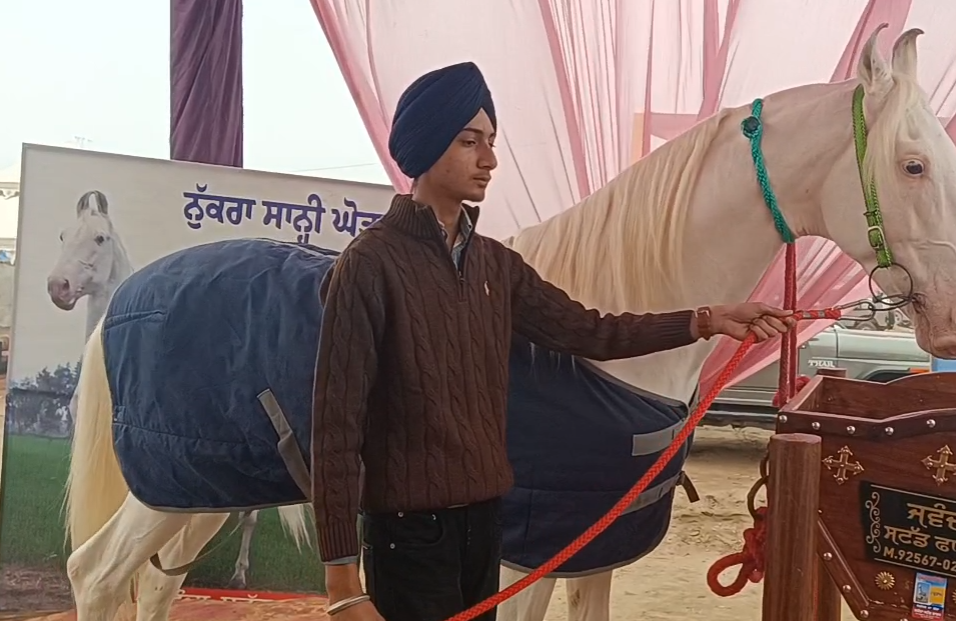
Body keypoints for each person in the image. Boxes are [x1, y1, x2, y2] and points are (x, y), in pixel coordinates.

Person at [311, 61, 795, 621]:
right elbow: (336, 429)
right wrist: (343, 581)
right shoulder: (368, 266)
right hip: (408, 535)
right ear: (424, 146)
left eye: (491, 142)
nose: (489, 160)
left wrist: (706, 319)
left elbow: (594, 331)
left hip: (488, 524)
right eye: (470, 142)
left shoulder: (496, 265)